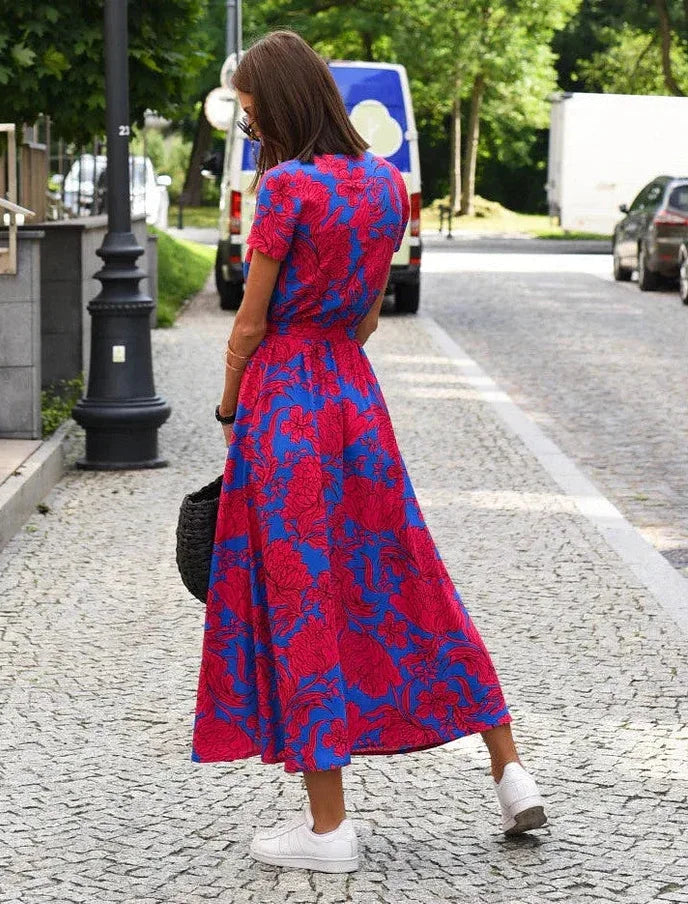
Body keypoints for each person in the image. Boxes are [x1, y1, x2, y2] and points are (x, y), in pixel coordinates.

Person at [191, 30, 547, 873]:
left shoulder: (284, 189)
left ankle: (329, 831)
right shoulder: (387, 184)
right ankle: (510, 772)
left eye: (250, 113)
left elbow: (248, 320)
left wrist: (231, 399)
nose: (249, 128)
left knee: (304, 599)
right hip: (356, 403)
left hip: (285, 405)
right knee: (410, 575)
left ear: (277, 105)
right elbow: (365, 319)